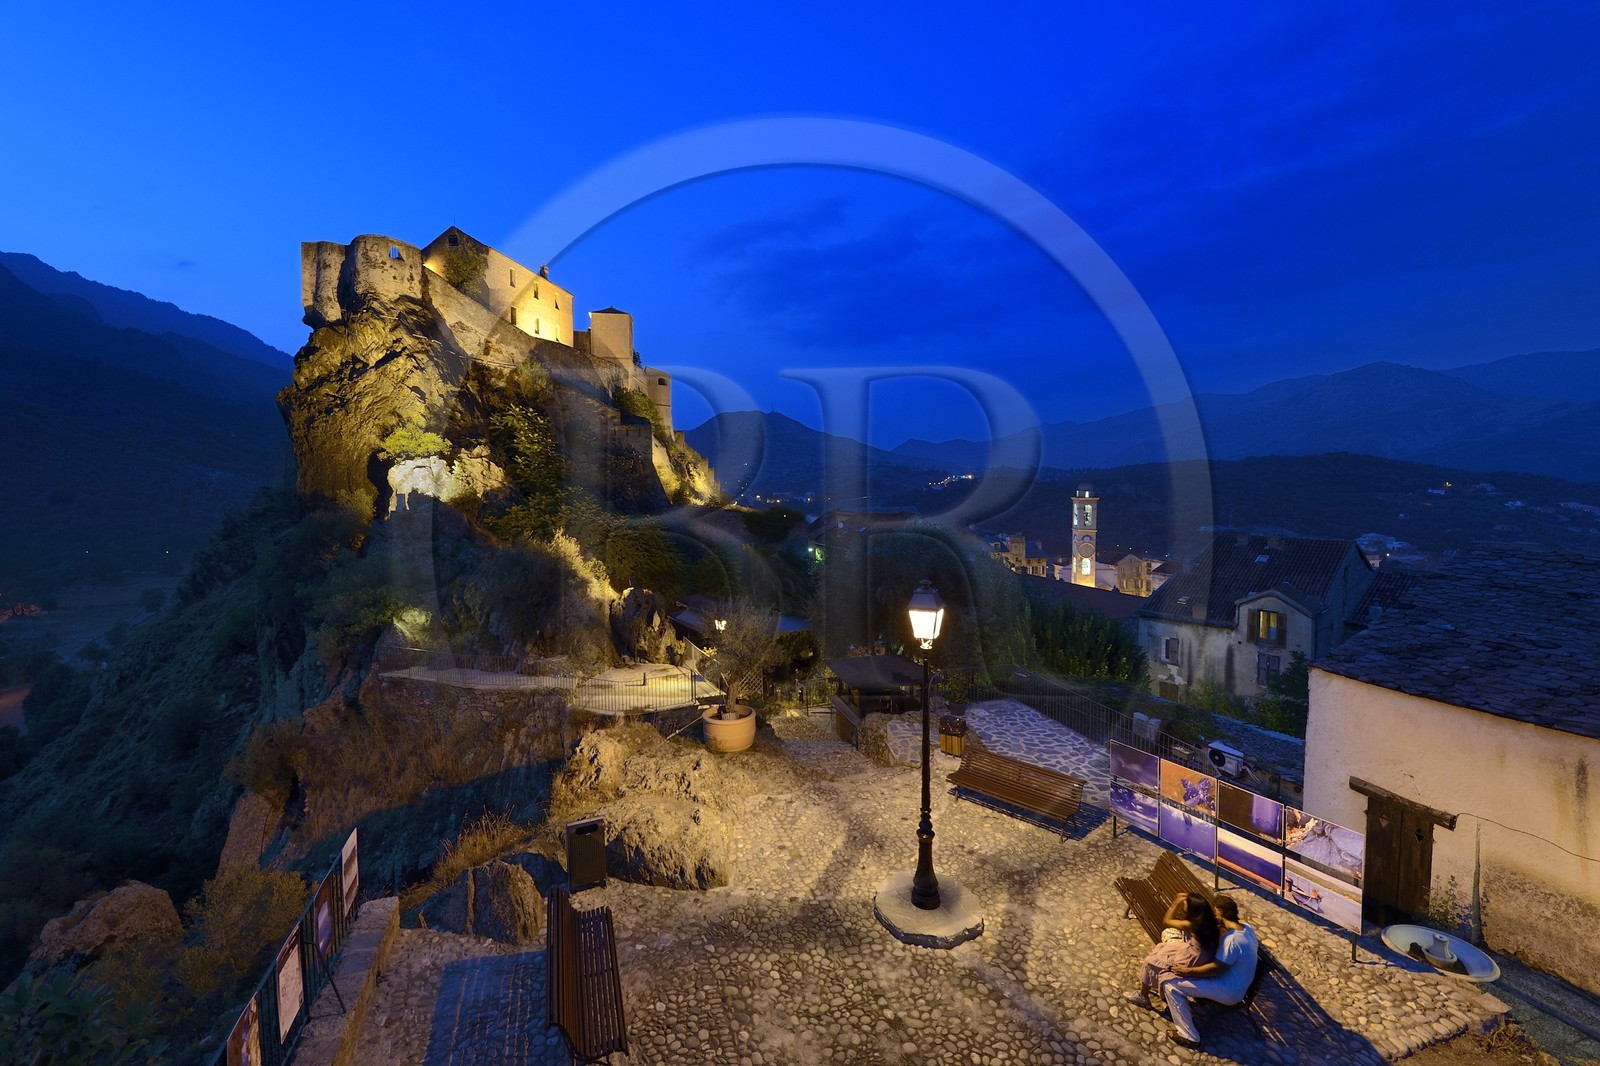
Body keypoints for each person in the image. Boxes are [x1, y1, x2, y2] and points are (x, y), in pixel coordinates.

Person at [1161, 895, 1259, 1048]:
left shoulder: (1232, 940)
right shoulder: (1247, 928)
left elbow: (1215, 968)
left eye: (1215, 912)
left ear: (1220, 911)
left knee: (1171, 986)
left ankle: (1189, 1035)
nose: (1213, 915)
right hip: (1237, 986)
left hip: (1227, 990)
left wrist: (1187, 971)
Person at [1125, 892, 1221, 1009]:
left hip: (1193, 957)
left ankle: (1143, 996)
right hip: (1202, 955)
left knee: (1151, 962)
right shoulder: (1209, 921)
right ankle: (1155, 984)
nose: (1184, 906)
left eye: (1186, 904)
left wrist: (1176, 902)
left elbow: (1167, 920)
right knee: (1164, 945)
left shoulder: (1193, 924)